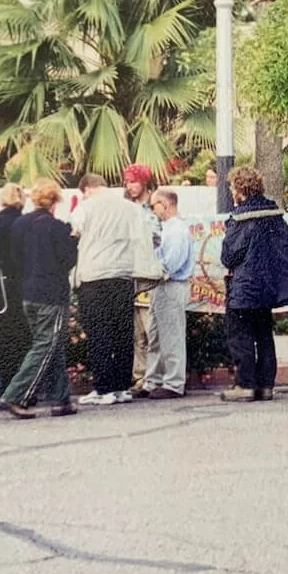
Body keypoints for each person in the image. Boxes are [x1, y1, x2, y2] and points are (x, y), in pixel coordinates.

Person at [72, 173, 159, 406]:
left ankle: (104, 388)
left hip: (94, 275)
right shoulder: (130, 208)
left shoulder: (86, 207)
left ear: (87, 189)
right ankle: (122, 387)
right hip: (122, 275)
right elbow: (142, 238)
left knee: (99, 332)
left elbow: (75, 232)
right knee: (122, 331)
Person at [0, 179, 79, 419]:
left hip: (28, 291)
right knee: (46, 345)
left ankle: (61, 398)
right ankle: (16, 394)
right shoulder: (58, 228)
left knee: (50, 344)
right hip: (51, 293)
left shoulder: (19, 224)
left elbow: (15, 257)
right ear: (55, 201)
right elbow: (67, 261)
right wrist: (73, 241)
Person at [219, 166, 288, 403]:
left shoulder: (241, 218)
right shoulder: (275, 215)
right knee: (264, 334)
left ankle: (245, 384)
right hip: (268, 286)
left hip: (244, 286)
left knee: (240, 334)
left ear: (240, 189)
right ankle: (266, 386)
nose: (231, 191)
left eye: (233, 186)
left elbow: (229, 256)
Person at [144, 188, 195, 399]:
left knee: (171, 335)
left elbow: (171, 264)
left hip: (171, 284)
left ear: (165, 204)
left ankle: (173, 382)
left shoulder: (177, 230)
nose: (153, 210)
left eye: (154, 205)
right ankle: (152, 380)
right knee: (155, 335)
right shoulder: (166, 229)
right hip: (160, 286)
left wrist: (150, 268)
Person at [122, 164, 159, 396]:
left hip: (149, 273)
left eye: (133, 181)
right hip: (129, 272)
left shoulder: (154, 207)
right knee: (136, 334)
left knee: (150, 329)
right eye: (127, 182)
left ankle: (153, 377)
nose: (130, 186)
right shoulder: (125, 208)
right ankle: (139, 376)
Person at [0, 182, 32, 396]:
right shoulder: (24, 222)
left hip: (1, 283)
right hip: (23, 281)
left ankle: (6, 385)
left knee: (4, 336)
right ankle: (24, 386)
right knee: (24, 336)